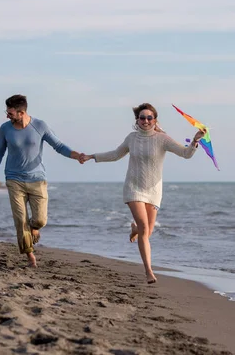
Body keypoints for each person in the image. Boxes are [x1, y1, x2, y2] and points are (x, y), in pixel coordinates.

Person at [79, 103, 205, 284]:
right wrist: (92, 156)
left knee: (147, 231)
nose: (145, 121)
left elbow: (185, 154)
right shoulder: (132, 138)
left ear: (155, 120)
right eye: (142, 118)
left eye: (149, 118)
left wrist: (195, 141)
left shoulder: (163, 139)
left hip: (154, 190)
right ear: (137, 120)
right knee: (145, 229)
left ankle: (135, 228)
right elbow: (115, 155)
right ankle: (149, 271)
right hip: (134, 187)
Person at [0, 94, 82, 268]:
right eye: (7, 112)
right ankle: (30, 257)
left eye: (10, 113)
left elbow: (58, 145)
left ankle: (34, 227)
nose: (7, 115)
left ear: (21, 112)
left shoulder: (39, 126)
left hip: (37, 179)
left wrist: (76, 156)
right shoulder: (5, 129)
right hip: (14, 178)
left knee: (40, 220)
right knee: (20, 220)